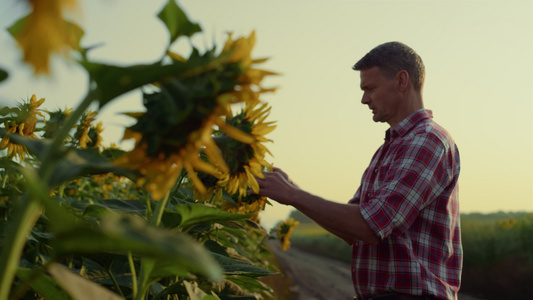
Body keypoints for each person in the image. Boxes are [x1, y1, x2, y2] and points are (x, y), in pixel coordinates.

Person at [255, 42, 462, 300]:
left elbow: (370, 227)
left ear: (401, 81)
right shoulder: (387, 150)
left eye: (370, 88)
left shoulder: (428, 141)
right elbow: (352, 231)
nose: (364, 99)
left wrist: (293, 195)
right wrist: (293, 189)